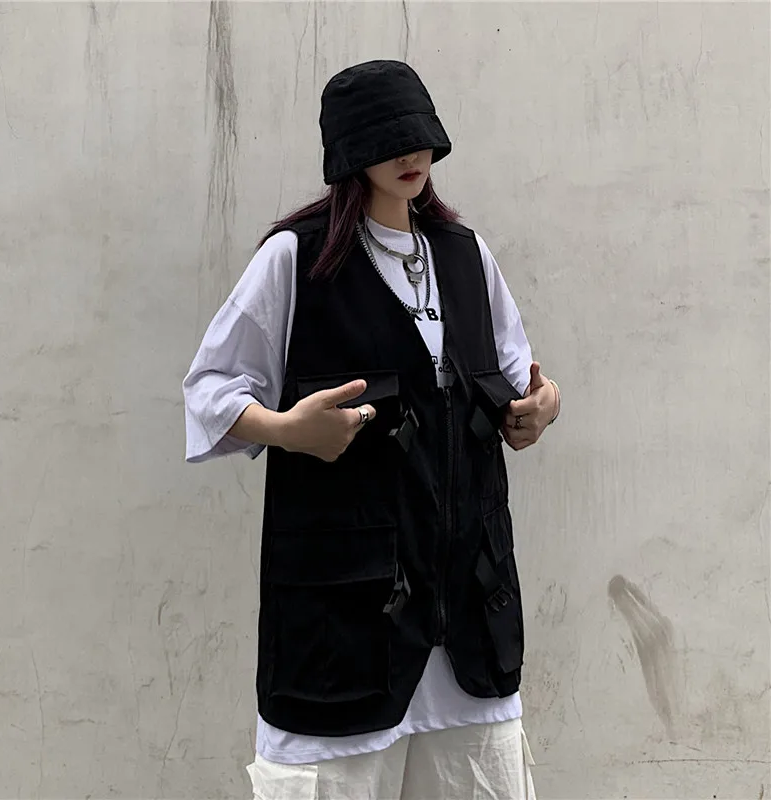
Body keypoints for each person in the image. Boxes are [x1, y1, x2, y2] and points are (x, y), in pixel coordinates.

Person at [183, 59, 560, 800]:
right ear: (348, 154)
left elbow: (523, 378)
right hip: (342, 623)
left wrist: (541, 409)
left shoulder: (465, 255)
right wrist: (288, 429)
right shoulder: (296, 258)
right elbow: (210, 391)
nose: (411, 154)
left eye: (420, 137)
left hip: (469, 622)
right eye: (389, 141)